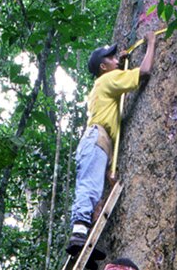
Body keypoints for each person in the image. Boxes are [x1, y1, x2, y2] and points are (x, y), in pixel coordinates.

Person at [66, 31, 157, 259]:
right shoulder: (107, 79)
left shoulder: (104, 81)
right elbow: (144, 72)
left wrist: (122, 61)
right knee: (89, 187)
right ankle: (78, 234)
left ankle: (82, 244)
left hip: (100, 142)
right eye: (111, 58)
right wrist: (152, 44)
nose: (116, 59)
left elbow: (121, 72)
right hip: (96, 139)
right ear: (103, 68)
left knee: (94, 190)